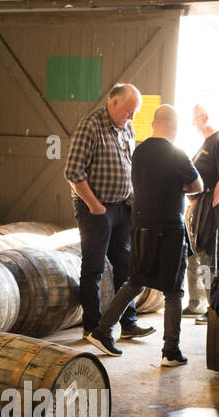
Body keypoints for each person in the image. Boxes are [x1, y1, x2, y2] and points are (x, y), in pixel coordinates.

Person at [85, 104, 202, 366]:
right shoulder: (177, 153)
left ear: (153, 124)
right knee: (173, 291)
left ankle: (103, 331)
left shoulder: (139, 150)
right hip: (169, 229)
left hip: (141, 226)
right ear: (174, 125)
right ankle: (170, 351)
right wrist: (177, 185)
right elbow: (198, 185)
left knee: (135, 281)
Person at [64, 83, 155, 341]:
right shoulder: (90, 125)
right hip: (96, 209)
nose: (132, 117)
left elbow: (130, 166)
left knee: (125, 267)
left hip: (122, 208)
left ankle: (128, 323)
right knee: (93, 268)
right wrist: (94, 205)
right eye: (129, 110)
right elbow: (73, 172)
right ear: (113, 102)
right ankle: (92, 327)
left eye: (135, 112)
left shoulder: (127, 127)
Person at [185, 105, 219, 316]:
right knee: (194, 257)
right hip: (200, 207)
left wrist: (211, 207)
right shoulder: (206, 143)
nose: (193, 124)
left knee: (209, 260)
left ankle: (212, 304)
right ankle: (195, 303)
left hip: (212, 210)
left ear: (204, 117)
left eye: (194, 119)